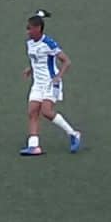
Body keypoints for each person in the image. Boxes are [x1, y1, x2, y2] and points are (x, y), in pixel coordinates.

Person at [20, 11, 82, 156]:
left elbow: (66, 61)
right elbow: (36, 59)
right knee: (32, 112)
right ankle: (34, 146)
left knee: (46, 112)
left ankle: (73, 134)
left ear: (38, 29)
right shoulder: (29, 43)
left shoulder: (49, 43)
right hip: (37, 83)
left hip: (50, 82)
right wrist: (30, 68)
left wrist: (58, 76)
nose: (27, 31)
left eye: (29, 28)